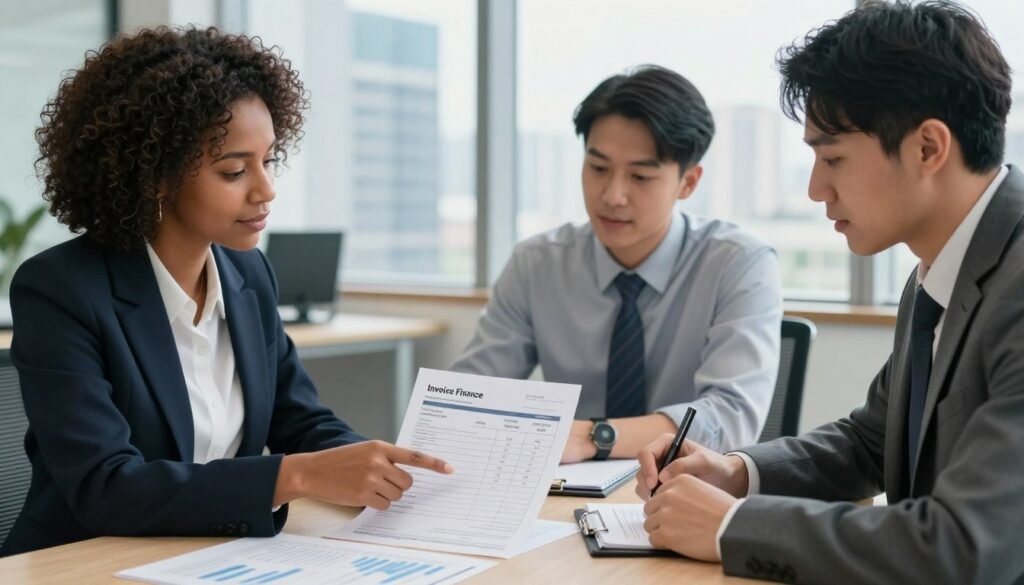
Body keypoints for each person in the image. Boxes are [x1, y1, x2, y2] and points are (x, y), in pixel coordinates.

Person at [0, 26, 451, 557]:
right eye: (235, 170)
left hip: (207, 556)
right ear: (156, 177)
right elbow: (106, 486)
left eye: (269, 161)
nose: (266, 190)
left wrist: (379, 467)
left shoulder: (249, 276)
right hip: (82, 562)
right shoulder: (62, 290)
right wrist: (293, 476)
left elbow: (300, 420)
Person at [636, 2, 1024, 583]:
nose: (817, 189)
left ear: (927, 148)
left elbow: (963, 547)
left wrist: (730, 527)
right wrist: (735, 472)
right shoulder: (943, 271)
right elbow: (872, 442)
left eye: (832, 157)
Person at [452, 65, 782, 463]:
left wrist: (592, 437)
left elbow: (730, 417)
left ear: (688, 183)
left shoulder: (739, 264)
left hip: (685, 493)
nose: (612, 195)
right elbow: (471, 394)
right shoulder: (537, 263)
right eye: (598, 168)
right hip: (563, 490)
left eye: (640, 177)